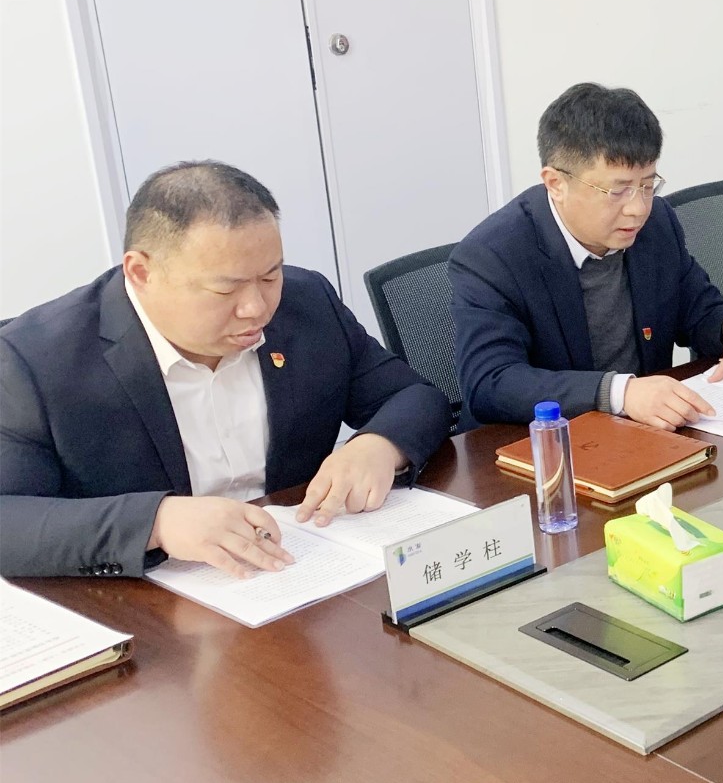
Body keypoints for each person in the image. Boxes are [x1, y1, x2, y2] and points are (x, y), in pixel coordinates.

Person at [0, 162, 450, 580]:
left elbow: (413, 396)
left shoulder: (306, 302)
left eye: (269, 276)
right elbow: (9, 519)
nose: (256, 308)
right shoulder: (35, 359)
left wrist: (380, 445)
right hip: (154, 600)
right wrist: (157, 522)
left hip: (303, 571)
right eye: (224, 289)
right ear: (141, 272)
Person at [451, 83, 723, 431]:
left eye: (647, 185)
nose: (638, 208)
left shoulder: (656, 224)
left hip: (640, 435)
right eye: (617, 191)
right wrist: (620, 393)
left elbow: (698, 309)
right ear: (555, 183)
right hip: (537, 445)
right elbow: (491, 382)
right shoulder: (492, 256)